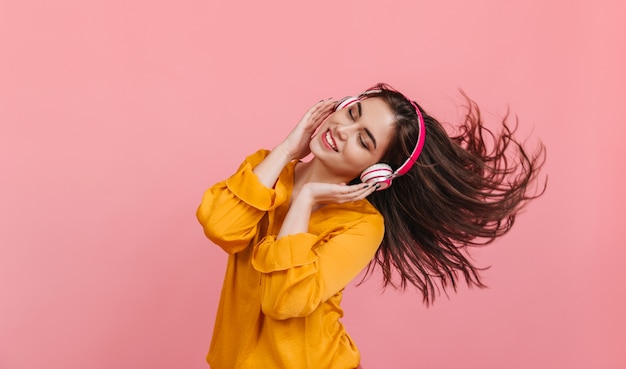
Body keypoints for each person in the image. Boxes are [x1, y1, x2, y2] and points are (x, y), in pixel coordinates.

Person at [196, 83, 546, 369]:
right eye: (351, 113)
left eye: (364, 140)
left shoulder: (362, 225)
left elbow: (283, 302)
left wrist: (305, 202)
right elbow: (221, 227)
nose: (342, 131)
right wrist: (288, 148)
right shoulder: (268, 170)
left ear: (378, 172)